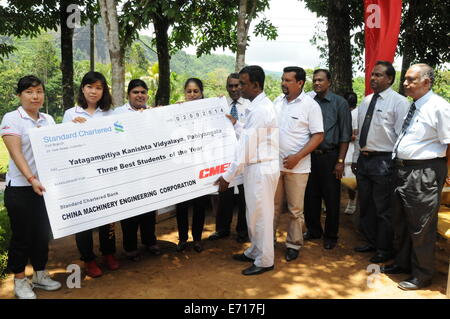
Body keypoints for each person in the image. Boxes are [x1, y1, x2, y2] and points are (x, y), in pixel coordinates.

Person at [381, 64, 450, 290]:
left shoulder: (439, 107)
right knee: (400, 221)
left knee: (421, 226)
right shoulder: (415, 106)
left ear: (426, 82)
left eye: (411, 79)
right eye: (406, 79)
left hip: (424, 172)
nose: (405, 83)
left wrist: (447, 173)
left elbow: (449, 143)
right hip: (403, 170)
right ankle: (403, 263)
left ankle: (422, 274)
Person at [1, 75, 61, 299]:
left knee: (41, 233)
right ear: (19, 95)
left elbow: (57, 149)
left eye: (39, 92)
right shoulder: (12, 119)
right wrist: (31, 178)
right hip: (21, 188)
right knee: (22, 235)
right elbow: (16, 154)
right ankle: (19, 280)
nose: (35, 96)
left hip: (44, 188)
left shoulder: (48, 119)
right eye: (29, 92)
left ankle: (40, 274)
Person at [215, 65, 279, 276]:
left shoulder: (261, 109)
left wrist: (227, 177)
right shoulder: (257, 107)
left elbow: (246, 148)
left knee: (261, 215)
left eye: (243, 83)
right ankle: (255, 251)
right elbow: (248, 136)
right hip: (256, 167)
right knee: (253, 214)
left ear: (256, 85)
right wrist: (235, 123)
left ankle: (265, 260)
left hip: (261, 167)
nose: (239, 88)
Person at [352, 61, 410, 263]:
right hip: (364, 160)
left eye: (378, 75)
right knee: (366, 205)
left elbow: (402, 135)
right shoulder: (366, 101)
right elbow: (359, 132)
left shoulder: (399, 102)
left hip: (384, 161)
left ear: (390, 79)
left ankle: (385, 249)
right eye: (372, 75)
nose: (373, 78)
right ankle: (371, 242)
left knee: (383, 208)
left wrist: (396, 163)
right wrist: (355, 158)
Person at [63, 71, 118, 277]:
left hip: (106, 174)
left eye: (98, 87)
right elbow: (64, 146)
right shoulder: (71, 114)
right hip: (82, 175)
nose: (93, 91)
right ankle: (88, 259)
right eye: (90, 87)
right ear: (82, 88)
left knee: (108, 216)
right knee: (84, 219)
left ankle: (109, 254)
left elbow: (123, 137)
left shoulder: (111, 113)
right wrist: (71, 130)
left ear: (103, 91)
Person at [273, 66, 324, 262]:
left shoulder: (310, 106)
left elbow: (318, 135)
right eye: (283, 79)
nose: (283, 84)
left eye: (288, 80)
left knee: (295, 210)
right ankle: (268, 241)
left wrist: (298, 157)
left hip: (298, 168)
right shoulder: (278, 102)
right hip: (275, 166)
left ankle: (293, 244)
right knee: (273, 206)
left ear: (300, 83)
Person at [303, 69, 352, 249]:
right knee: (311, 196)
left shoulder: (340, 103)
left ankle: (331, 235)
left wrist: (340, 162)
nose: (317, 83)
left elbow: (345, 135)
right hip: (309, 157)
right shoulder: (308, 102)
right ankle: (314, 230)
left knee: (331, 198)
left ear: (329, 82)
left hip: (330, 156)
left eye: (320, 80)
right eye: (315, 80)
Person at [114, 79, 161, 261]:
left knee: (149, 210)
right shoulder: (117, 114)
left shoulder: (153, 113)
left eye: (143, 92)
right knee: (129, 212)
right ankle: (130, 247)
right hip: (126, 171)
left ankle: (150, 242)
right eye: (135, 92)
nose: (140, 95)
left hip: (147, 170)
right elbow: (116, 136)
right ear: (128, 95)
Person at [208, 73, 249, 243]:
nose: (233, 89)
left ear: (242, 86)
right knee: (225, 194)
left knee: (245, 198)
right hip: (225, 157)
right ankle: (222, 229)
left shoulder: (250, 105)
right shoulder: (221, 105)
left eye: (237, 85)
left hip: (245, 157)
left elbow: (251, 132)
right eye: (230, 86)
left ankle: (242, 231)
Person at [175, 78, 209, 253]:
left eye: (196, 91)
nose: (192, 94)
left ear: (201, 93)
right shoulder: (177, 110)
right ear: (185, 93)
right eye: (189, 91)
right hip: (183, 166)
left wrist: (217, 104)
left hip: (202, 166)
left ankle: (197, 239)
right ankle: (182, 239)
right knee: (181, 206)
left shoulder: (210, 112)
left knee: (199, 205)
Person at [343, 91, 358, 215]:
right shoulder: (354, 113)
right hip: (350, 150)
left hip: (351, 150)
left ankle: (352, 203)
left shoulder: (353, 114)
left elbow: (354, 135)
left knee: (350, 180)